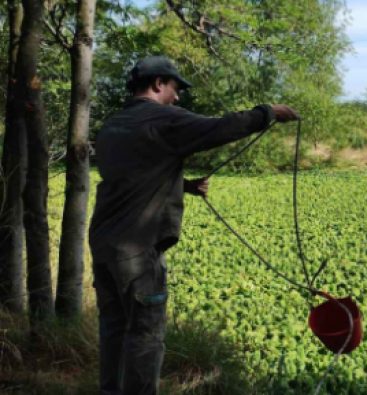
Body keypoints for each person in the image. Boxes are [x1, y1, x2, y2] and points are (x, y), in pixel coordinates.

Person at [88, 55, 300, 395]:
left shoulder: (114, 125)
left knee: (113, 328)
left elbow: (132, 175)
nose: (177, 97)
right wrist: (268, 113)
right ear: (158, 83)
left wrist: (183, 186)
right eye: (175, 88)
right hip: (138, 251)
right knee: (145, 334)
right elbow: (218, 128)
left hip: (104, 245)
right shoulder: (162, 117)